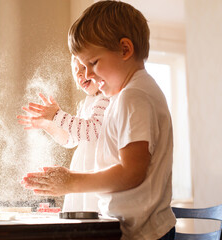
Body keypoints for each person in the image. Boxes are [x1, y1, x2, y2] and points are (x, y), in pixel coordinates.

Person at [20, 1, 176, 239]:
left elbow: (132, 172)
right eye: (82, 66)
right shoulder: (133, 94)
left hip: (142, 232)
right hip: (140, 228)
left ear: (125, 50)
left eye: (93, 63)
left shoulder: (133, 97)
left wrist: (71, 182)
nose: (89, 74)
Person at [17, 55, 109, 212]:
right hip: (81, 172)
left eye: (85, 68)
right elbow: (71, 139)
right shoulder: (85, 103)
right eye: (76, 70)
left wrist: (58, 116)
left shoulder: (105, 99)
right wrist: (48, 125)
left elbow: (92, 131)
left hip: (96, 174)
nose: (80, 74)